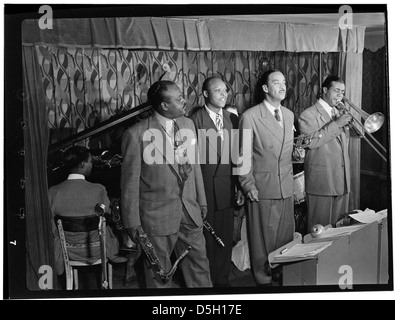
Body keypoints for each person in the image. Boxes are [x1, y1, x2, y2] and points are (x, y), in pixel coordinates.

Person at [120, 80, 212, 288]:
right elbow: (129, 184)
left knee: (200, 267)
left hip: (190, 211)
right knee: (159, 276)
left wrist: (202, 201)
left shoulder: (188, 125)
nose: (184, 101)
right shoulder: (136, 134)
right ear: (164, 105)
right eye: (179, 99)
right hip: (156, 217)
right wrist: (132, 223)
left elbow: (195, 166)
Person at [238, 69, 295, 286]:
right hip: (262, 188)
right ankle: (263, 281)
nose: (282, 86)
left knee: (284, 237)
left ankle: (282, 276)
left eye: (284, 82)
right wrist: (247, 184)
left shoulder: (289, 115)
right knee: (262, 239)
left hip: (286, 187)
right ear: (265, 88)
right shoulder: (250, 116)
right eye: (276, 82)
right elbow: (242, 157)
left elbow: (285, 150)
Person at [189, 77, 244, 287]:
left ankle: (222, 280)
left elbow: (237, 156)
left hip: (227, 186)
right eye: (217, 90)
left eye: (225, 90)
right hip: (205, 189)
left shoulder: (232, 119)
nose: (223, 94)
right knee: (206, 237)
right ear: (205, 94)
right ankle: (206, 282)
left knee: (225, 235)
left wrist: (239, 184)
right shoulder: (194, 120)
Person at [49, 146, 132, 280]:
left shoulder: (53, 192)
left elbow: (50, 225)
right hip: (98, 250)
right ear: (82, 164)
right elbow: (109, 217)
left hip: (67, 252)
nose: (91, 165)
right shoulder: (98, 189)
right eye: (90, 162)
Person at [298, 75, 357, 231]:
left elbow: (358, 135)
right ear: (324, 90)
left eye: (342, 92)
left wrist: (349, 120)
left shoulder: (339, 113)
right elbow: (311, 142)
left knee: (340, 231)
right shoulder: (307, 115)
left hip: (342, 181)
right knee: (319, 233)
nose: (340, 95)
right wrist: (337, 123)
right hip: (322, 183)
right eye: (336, 90)